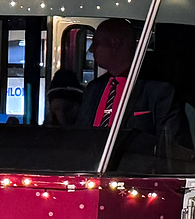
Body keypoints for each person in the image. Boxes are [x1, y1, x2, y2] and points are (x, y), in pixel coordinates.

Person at [76, 17, 183, 154]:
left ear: (115, 44)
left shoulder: (159, 91)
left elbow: (171, 148)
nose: (91, 49)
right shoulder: (93, 89)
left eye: (96, 43)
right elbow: (79, 136)